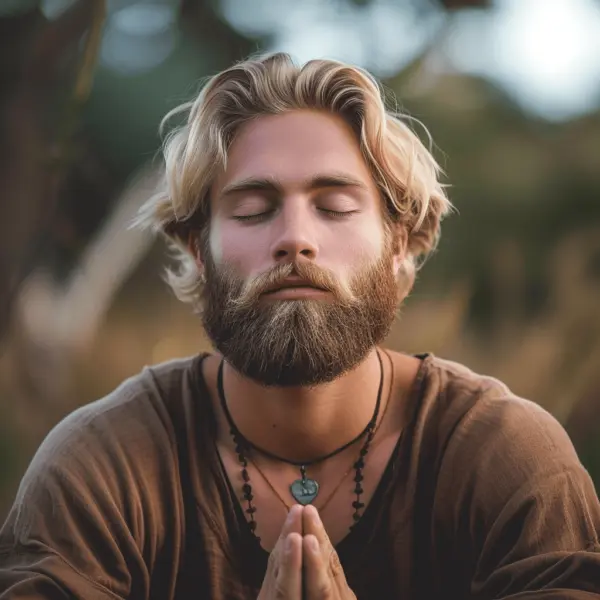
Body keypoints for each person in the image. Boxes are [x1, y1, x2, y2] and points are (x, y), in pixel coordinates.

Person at [1, 52, 599, 600]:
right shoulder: (101, 467)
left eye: (335, 206)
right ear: (197, 248)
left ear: (399, 244)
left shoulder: (510, 461)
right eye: (252, 210)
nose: (295, 238)